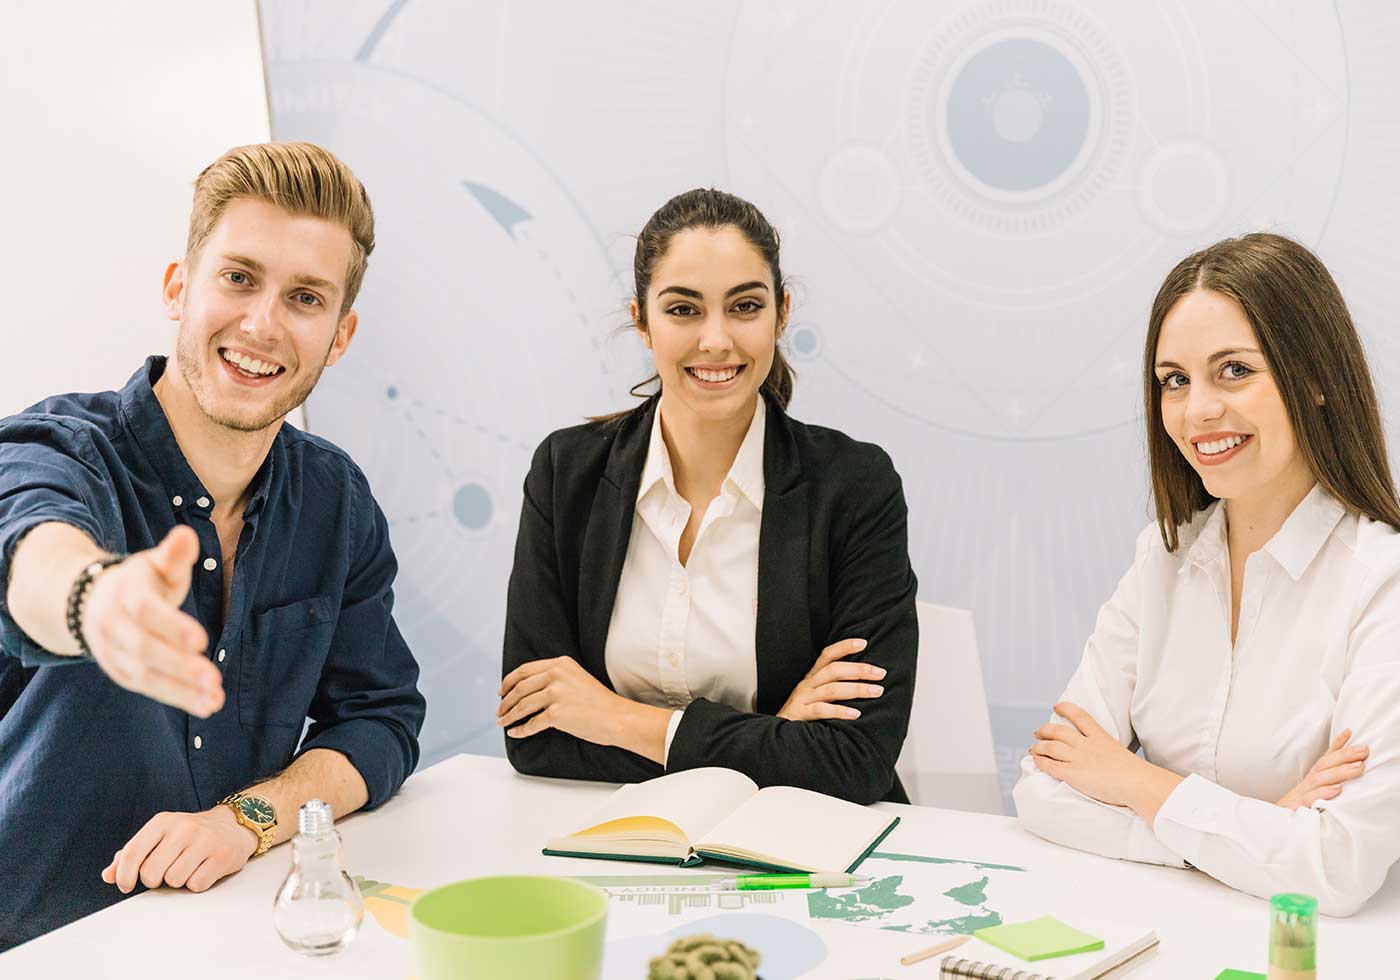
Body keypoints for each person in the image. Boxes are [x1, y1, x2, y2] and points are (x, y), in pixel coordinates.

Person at [0, 141, 426, 949]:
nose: (262, 324)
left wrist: (247, 818)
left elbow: (380, 721)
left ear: (339, 335)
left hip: (232, 940)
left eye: (305, 298)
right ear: (178, 288)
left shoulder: (335, 501)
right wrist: (95, 602)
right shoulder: (55, 450)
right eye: (238, 278)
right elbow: (27, 548)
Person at [1013, 233, 1400, 915]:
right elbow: (1043, 792)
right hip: (1164, 940)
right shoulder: (1160, 561)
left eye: (1234, 371)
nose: (1197, 411)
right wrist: (1260, 826)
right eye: (1175, 380)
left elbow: (1336, 866)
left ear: (1315, 379)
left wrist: (1135, 783)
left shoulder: (1381, 582)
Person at [496, 188, 917, 804]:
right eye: (683, 309)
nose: (716, 340)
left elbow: (854, 762)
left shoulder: (855, 486)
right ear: (642, 321)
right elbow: (537, 737)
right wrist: (775, 736)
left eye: (745, 306)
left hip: (802, 844)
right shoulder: (567, 474)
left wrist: (614, 718)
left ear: (782, 314)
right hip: (615, 839)